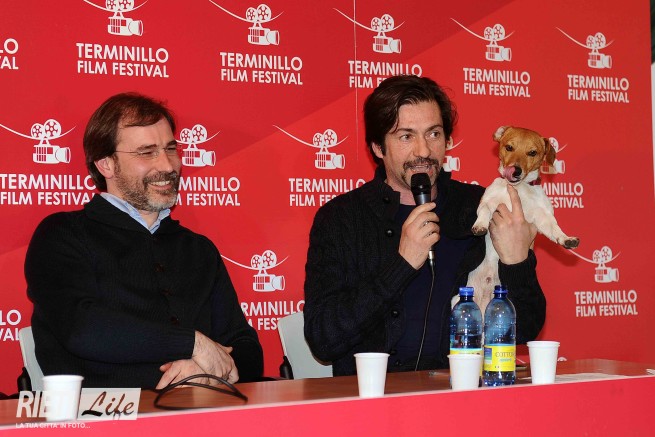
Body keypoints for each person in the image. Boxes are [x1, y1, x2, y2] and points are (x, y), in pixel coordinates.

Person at [303, 75, 546, 376]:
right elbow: (323, 340)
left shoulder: (482, 207)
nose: (423, 151)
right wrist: (402, 264)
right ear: (378, 147)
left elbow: (527, 329)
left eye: (433, 134)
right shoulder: (341, 219)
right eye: (406, 136)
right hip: (373, 396)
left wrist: (517, 263)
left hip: (464, 393)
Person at [25, 93, 263, 388]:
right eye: (146, 152)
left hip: (202, 408)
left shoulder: (198, 249)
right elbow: (81, 330)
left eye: (170, 149)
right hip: (101, 413)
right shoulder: (62, 234)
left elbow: (247, 348)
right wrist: (192, 344)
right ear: (106, 164)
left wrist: (209, 371)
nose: (167, 165)